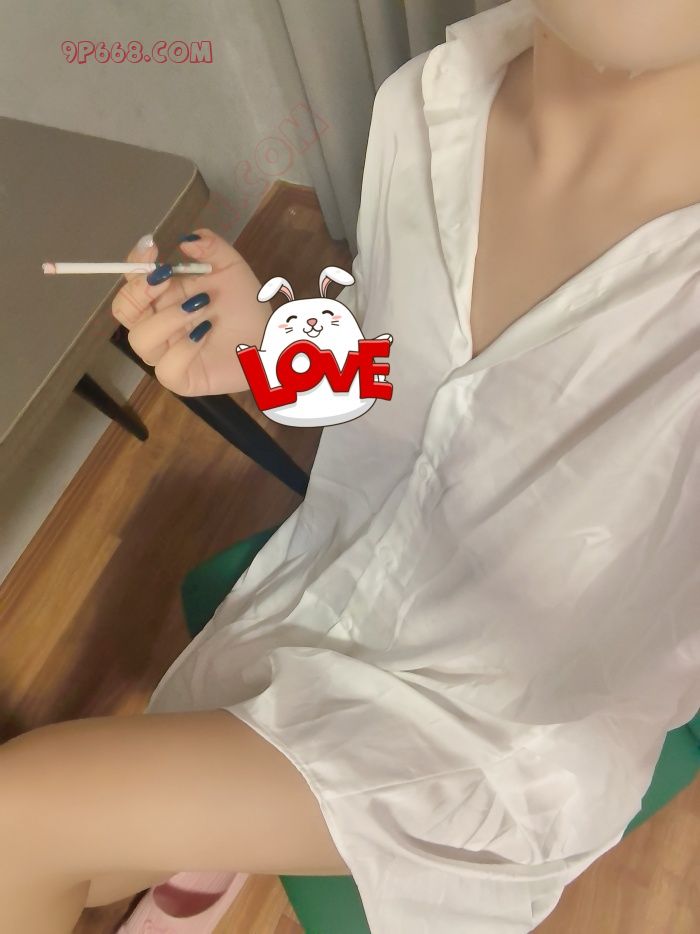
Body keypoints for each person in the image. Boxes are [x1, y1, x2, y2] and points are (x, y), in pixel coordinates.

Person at [3, 0, 700, 930]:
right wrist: (264, 351)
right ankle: (219, 836)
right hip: (324, 596)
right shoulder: (429, 106)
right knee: (84, 864)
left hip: (495, 736)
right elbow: (402, 387)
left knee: (23, 821)